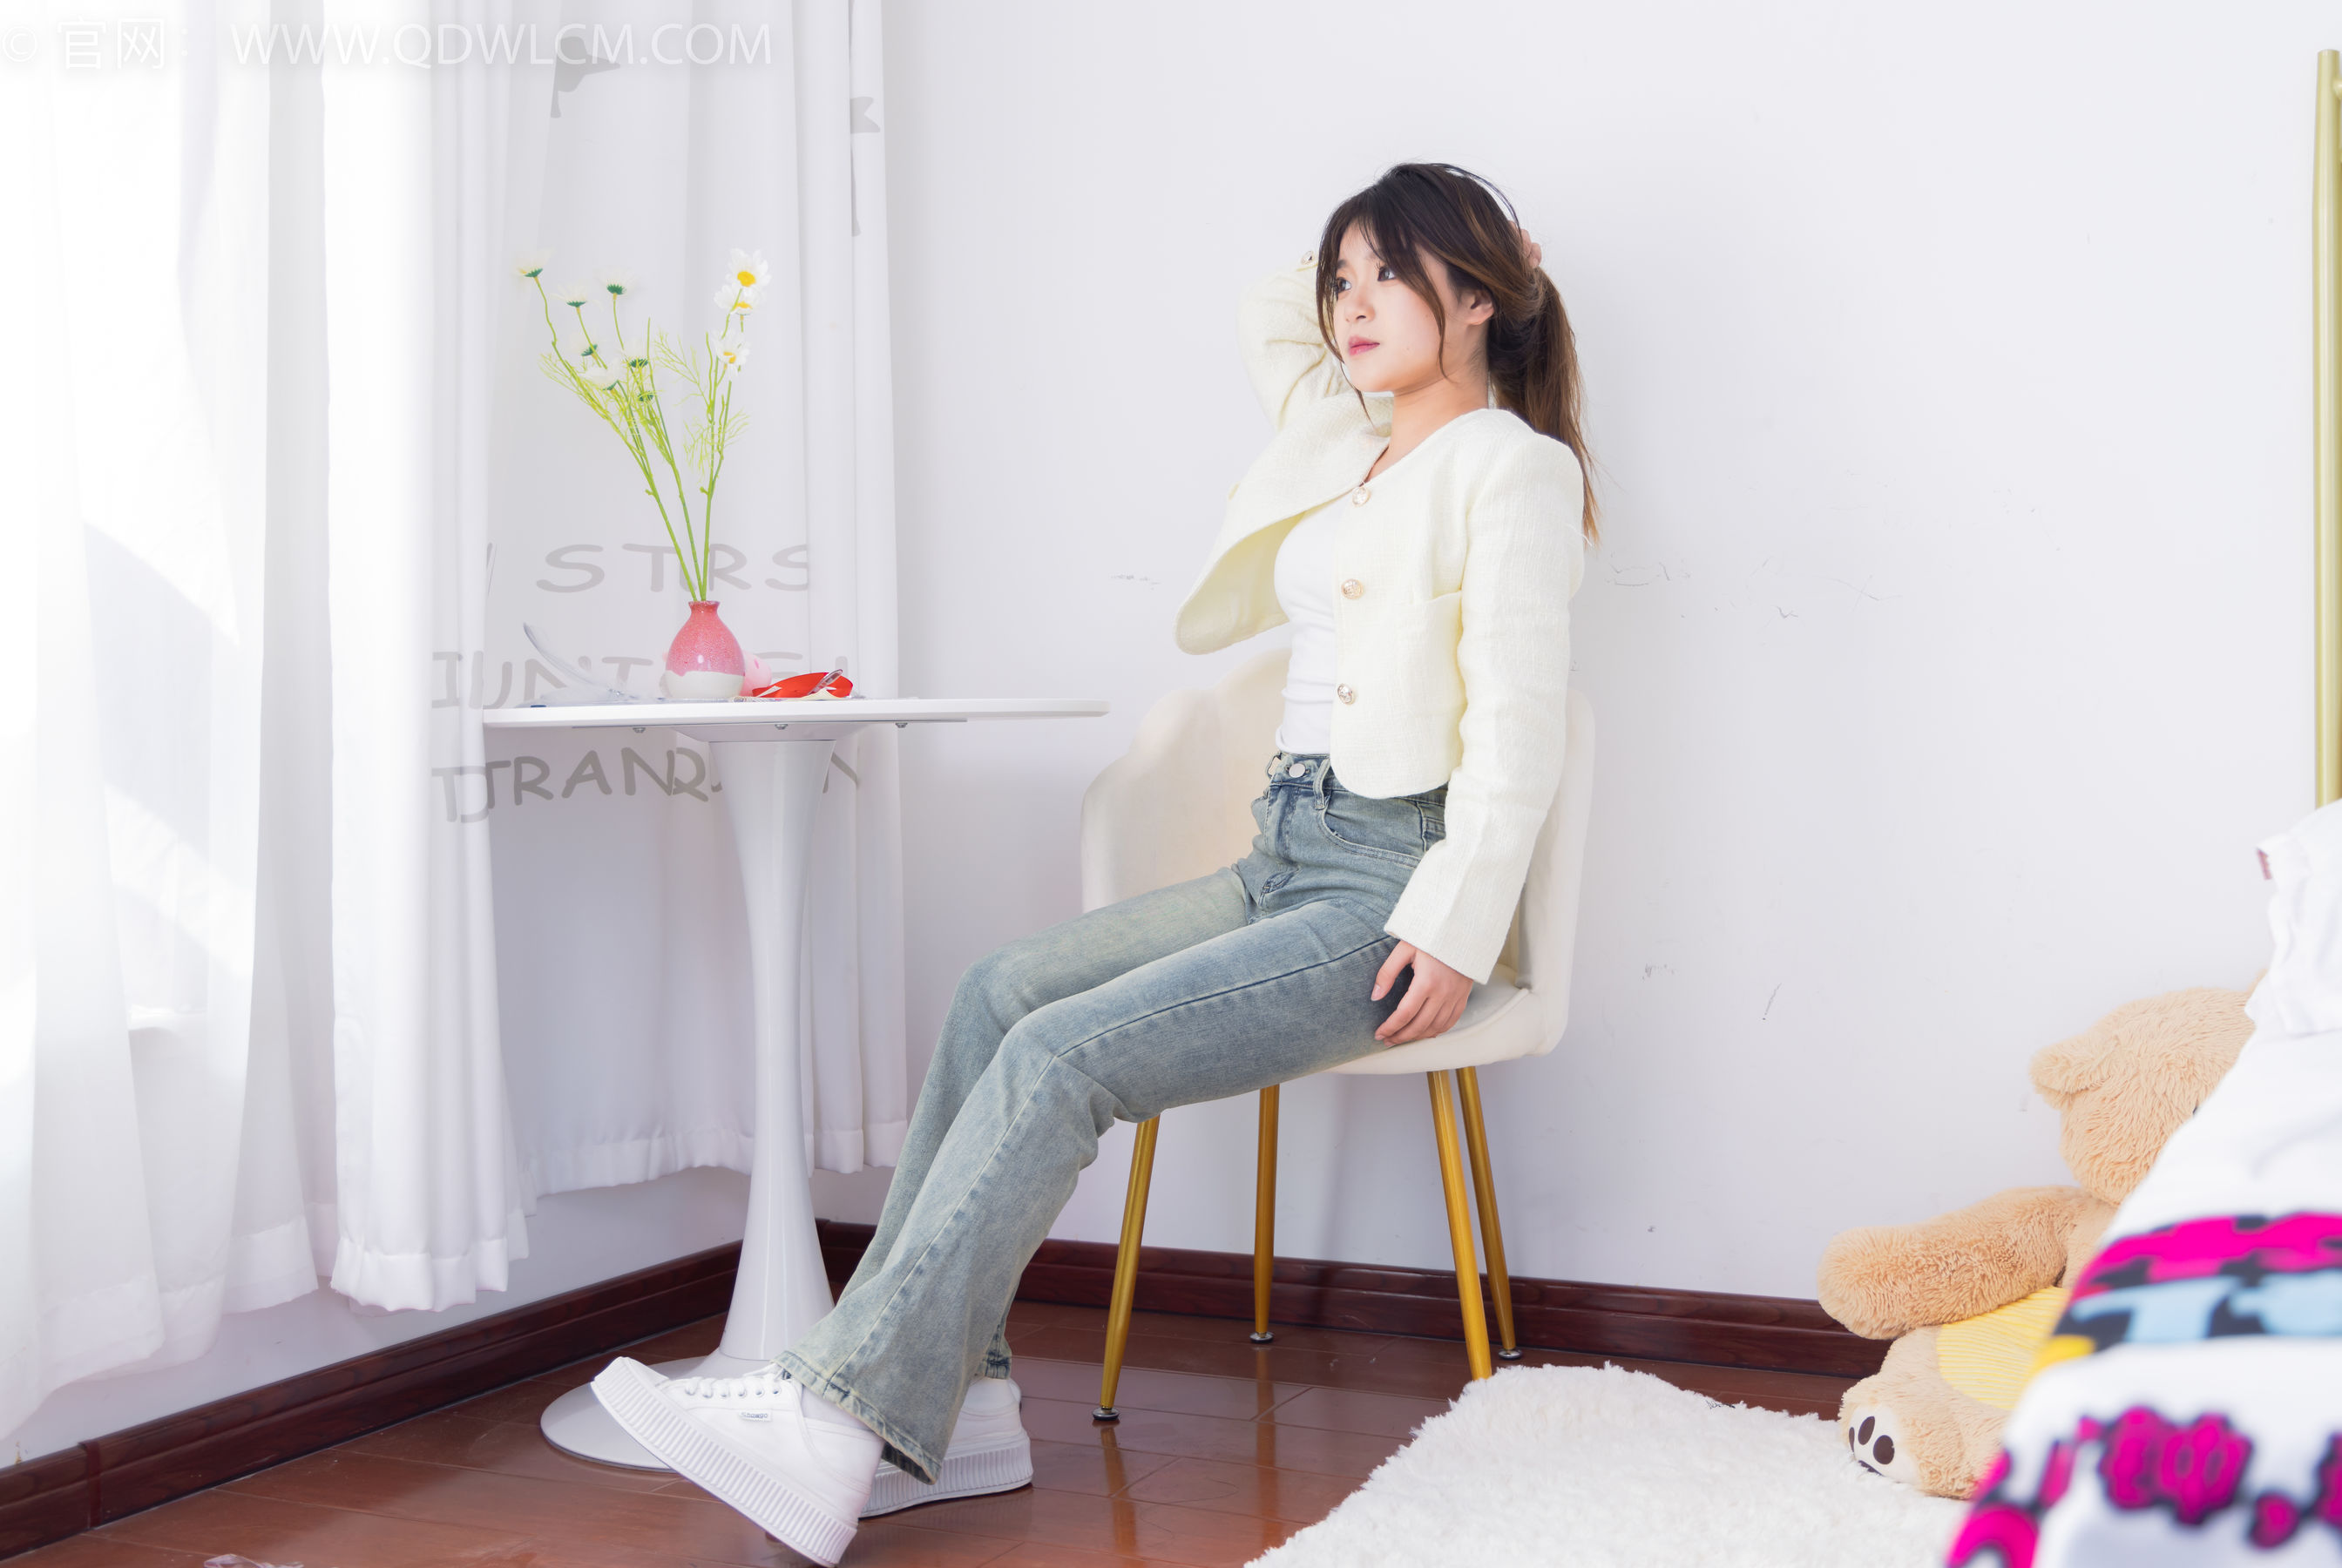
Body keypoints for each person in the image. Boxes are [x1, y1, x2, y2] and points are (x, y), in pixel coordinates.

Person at [589, 160, 1597, 1565]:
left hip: (1390, 886)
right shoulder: (1344, 435)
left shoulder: (1510, 467)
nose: (1349, 306)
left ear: (1479, 298)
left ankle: (833, 1419)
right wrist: (1423, 253)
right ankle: (965, 1409)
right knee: (999, 993)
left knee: (1062, 1056)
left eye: (1389, 275)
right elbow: (1272, 314)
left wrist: (1454, 920)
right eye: (1343, 276)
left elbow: (1520, 728)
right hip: (1281, 854)